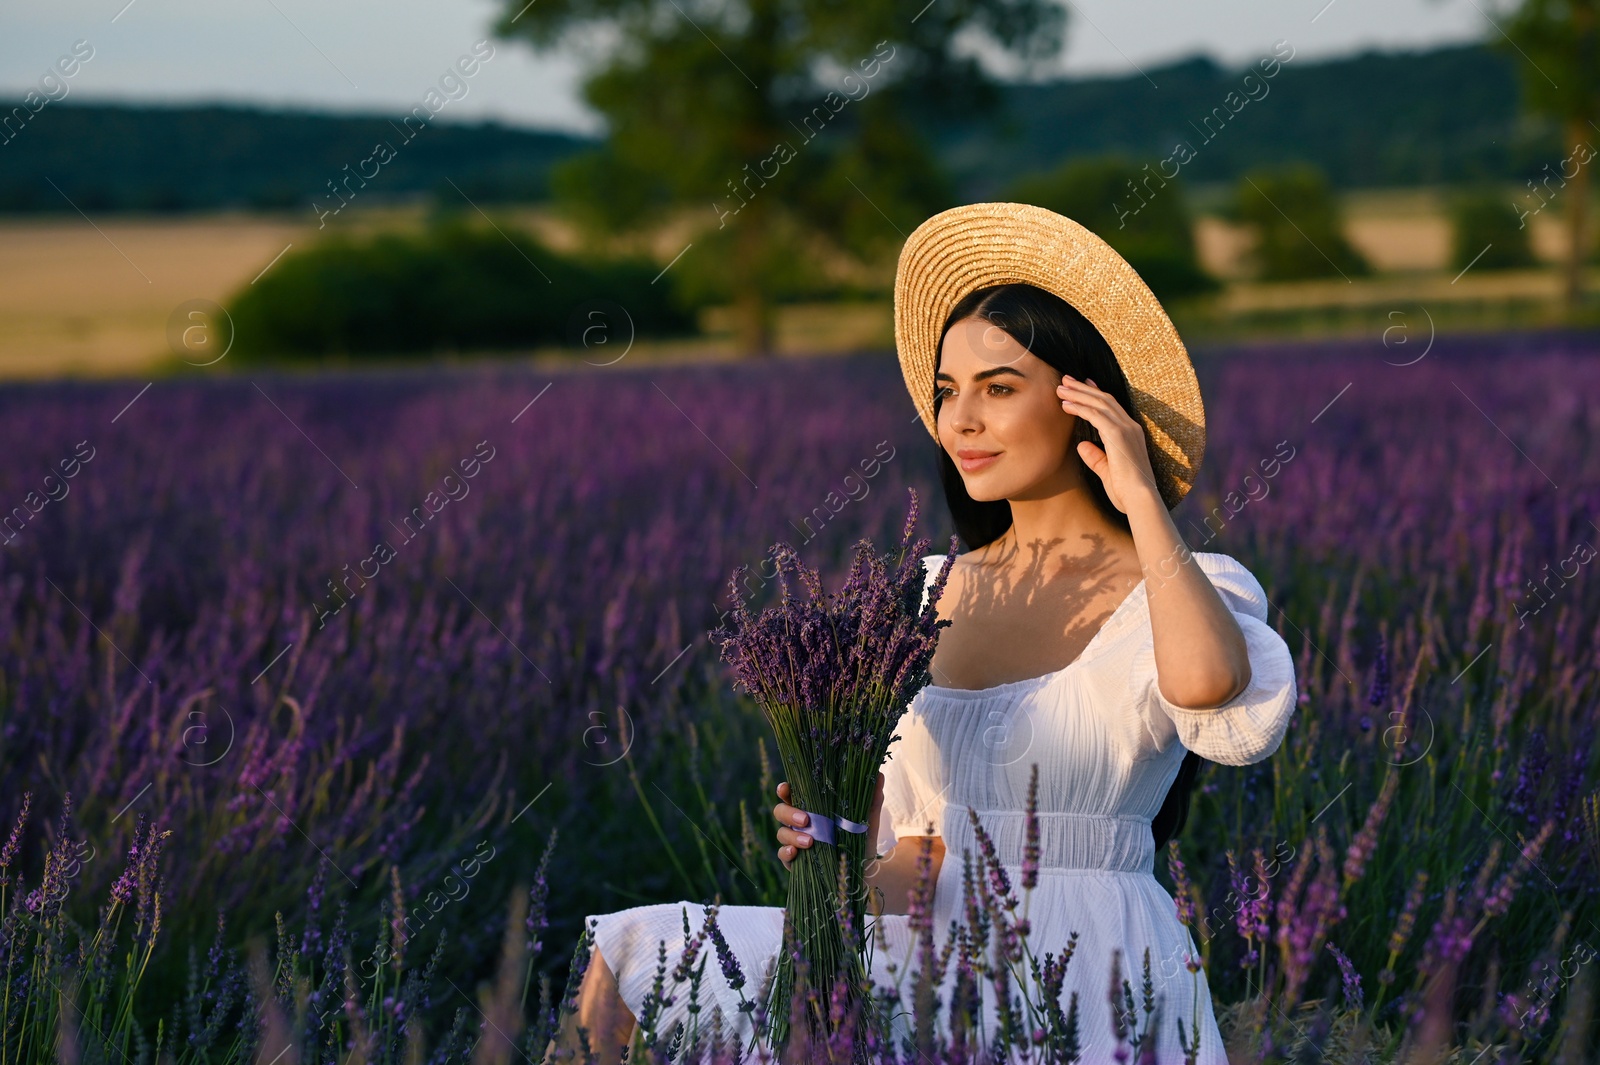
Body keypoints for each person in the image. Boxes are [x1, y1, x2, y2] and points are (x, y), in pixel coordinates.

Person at [547, 203, 1298, 1064]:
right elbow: (899, 860)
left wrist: (1143, 505)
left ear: (1087, 401)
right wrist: (828, 840)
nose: (961, 420)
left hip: (1088, 965)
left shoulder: (1184, 584)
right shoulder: (926, 592)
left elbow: (1210, 693)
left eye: (999, 387)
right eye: (948, 391)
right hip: (917, 953)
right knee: (637, 951)